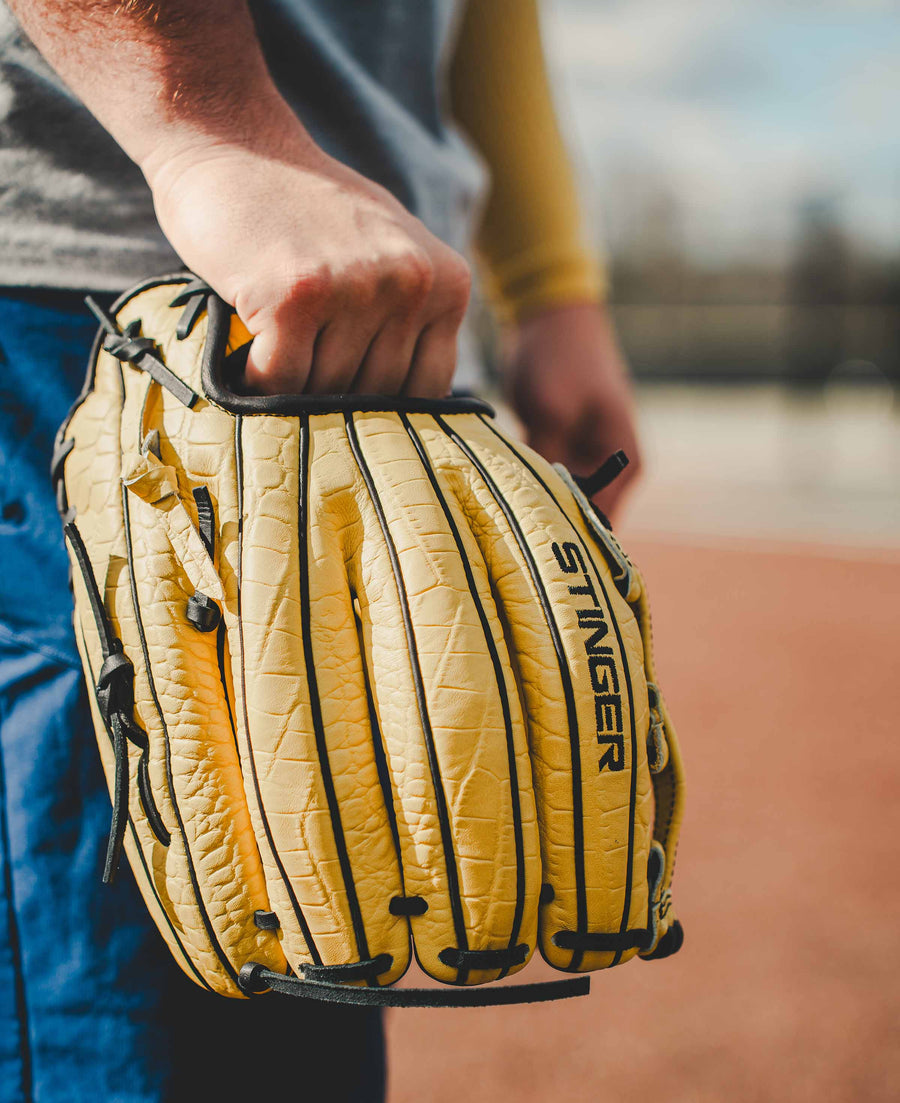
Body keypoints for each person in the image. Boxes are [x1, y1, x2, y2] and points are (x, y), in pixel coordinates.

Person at [0, 0, 640, 1098]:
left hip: (354, 268)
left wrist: (552, 285)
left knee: (309, 953)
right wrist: (209, 128)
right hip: (102, 277)